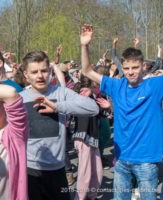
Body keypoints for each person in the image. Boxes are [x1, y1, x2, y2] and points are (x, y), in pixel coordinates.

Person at [80, 24, 163, 200]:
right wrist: (84, 45)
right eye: (126, 68)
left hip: (147, 161)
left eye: (135, 67)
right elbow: (87, 70)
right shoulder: (116, 86)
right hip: (121, 160)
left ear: (143, 67)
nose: (130, 72)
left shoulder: (155, 85)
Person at [19, 51, 99, 200]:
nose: (40, 76)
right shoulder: (20, 99)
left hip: (57, 169)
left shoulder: (61, 93)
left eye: (43, 71)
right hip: (29, 170)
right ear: (26, 74)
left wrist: (57, 107)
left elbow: (93, 108)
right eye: (34, 72)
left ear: (49, 71)